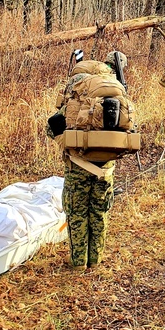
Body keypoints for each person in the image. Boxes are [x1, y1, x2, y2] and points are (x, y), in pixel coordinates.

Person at [54, 56, 121, 269]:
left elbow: (52, 127)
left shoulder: (73, 103)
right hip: (106, 168)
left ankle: (78, 262)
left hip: (77, 167)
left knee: (77, 213)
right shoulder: (115, 101)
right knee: (99, 212)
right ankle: (95, 259)